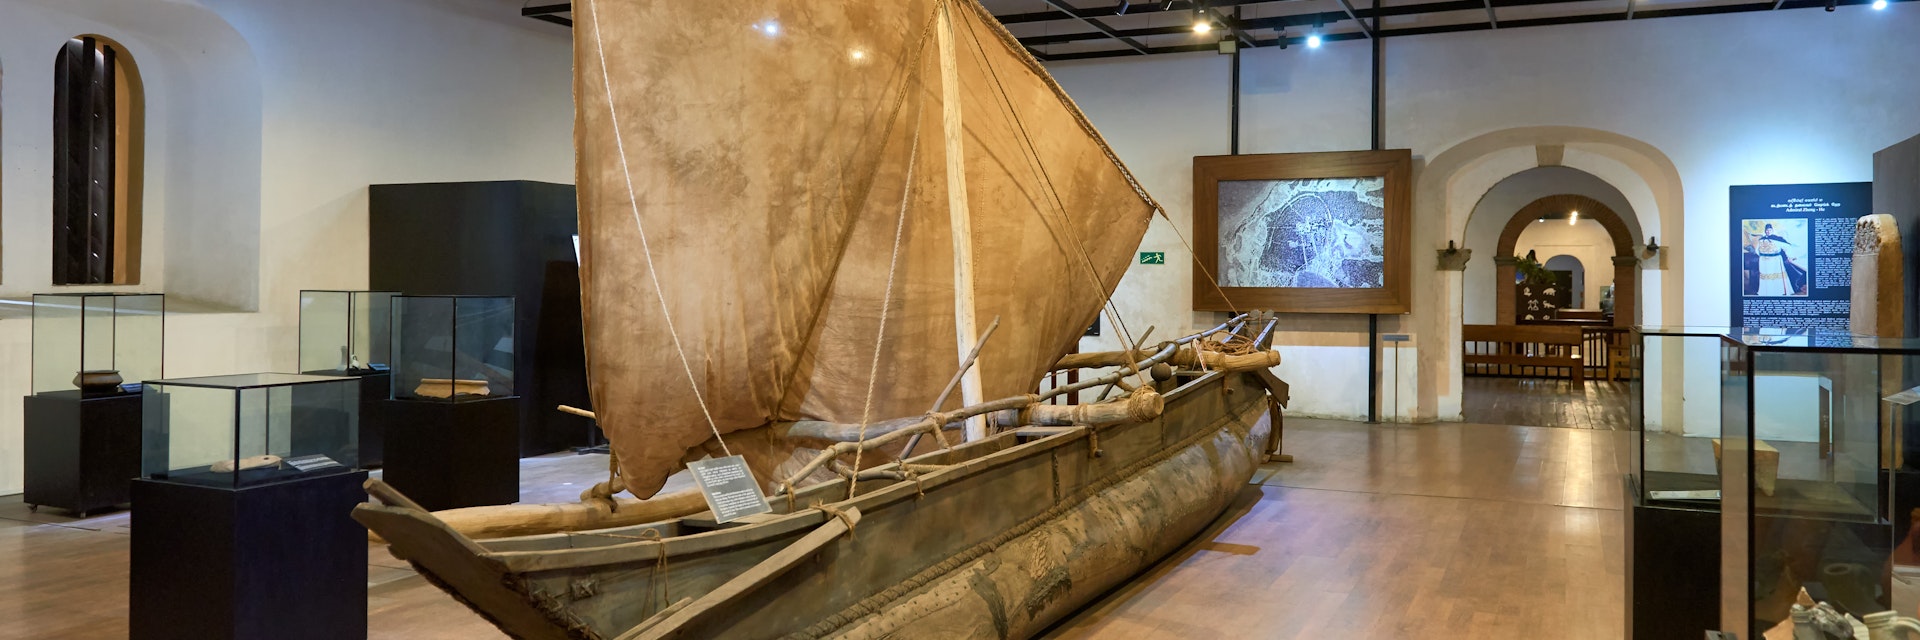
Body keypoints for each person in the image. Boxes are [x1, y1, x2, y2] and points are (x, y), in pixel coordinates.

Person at [1750, 223, 1807, 296]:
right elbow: (1757, 250)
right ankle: (1766, 292)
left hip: (1775, 261)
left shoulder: (1778, 239)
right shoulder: (1761, 239)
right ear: (1765, 231)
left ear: (1772, 230)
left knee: (1775, 277)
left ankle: (1777, 292)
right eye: (1767, 230)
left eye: (1770, 230)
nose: (1768, 231)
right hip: (1764, 262)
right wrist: (1763, 255)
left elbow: (1787, 247)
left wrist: (1790, 256)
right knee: (1766, 277)